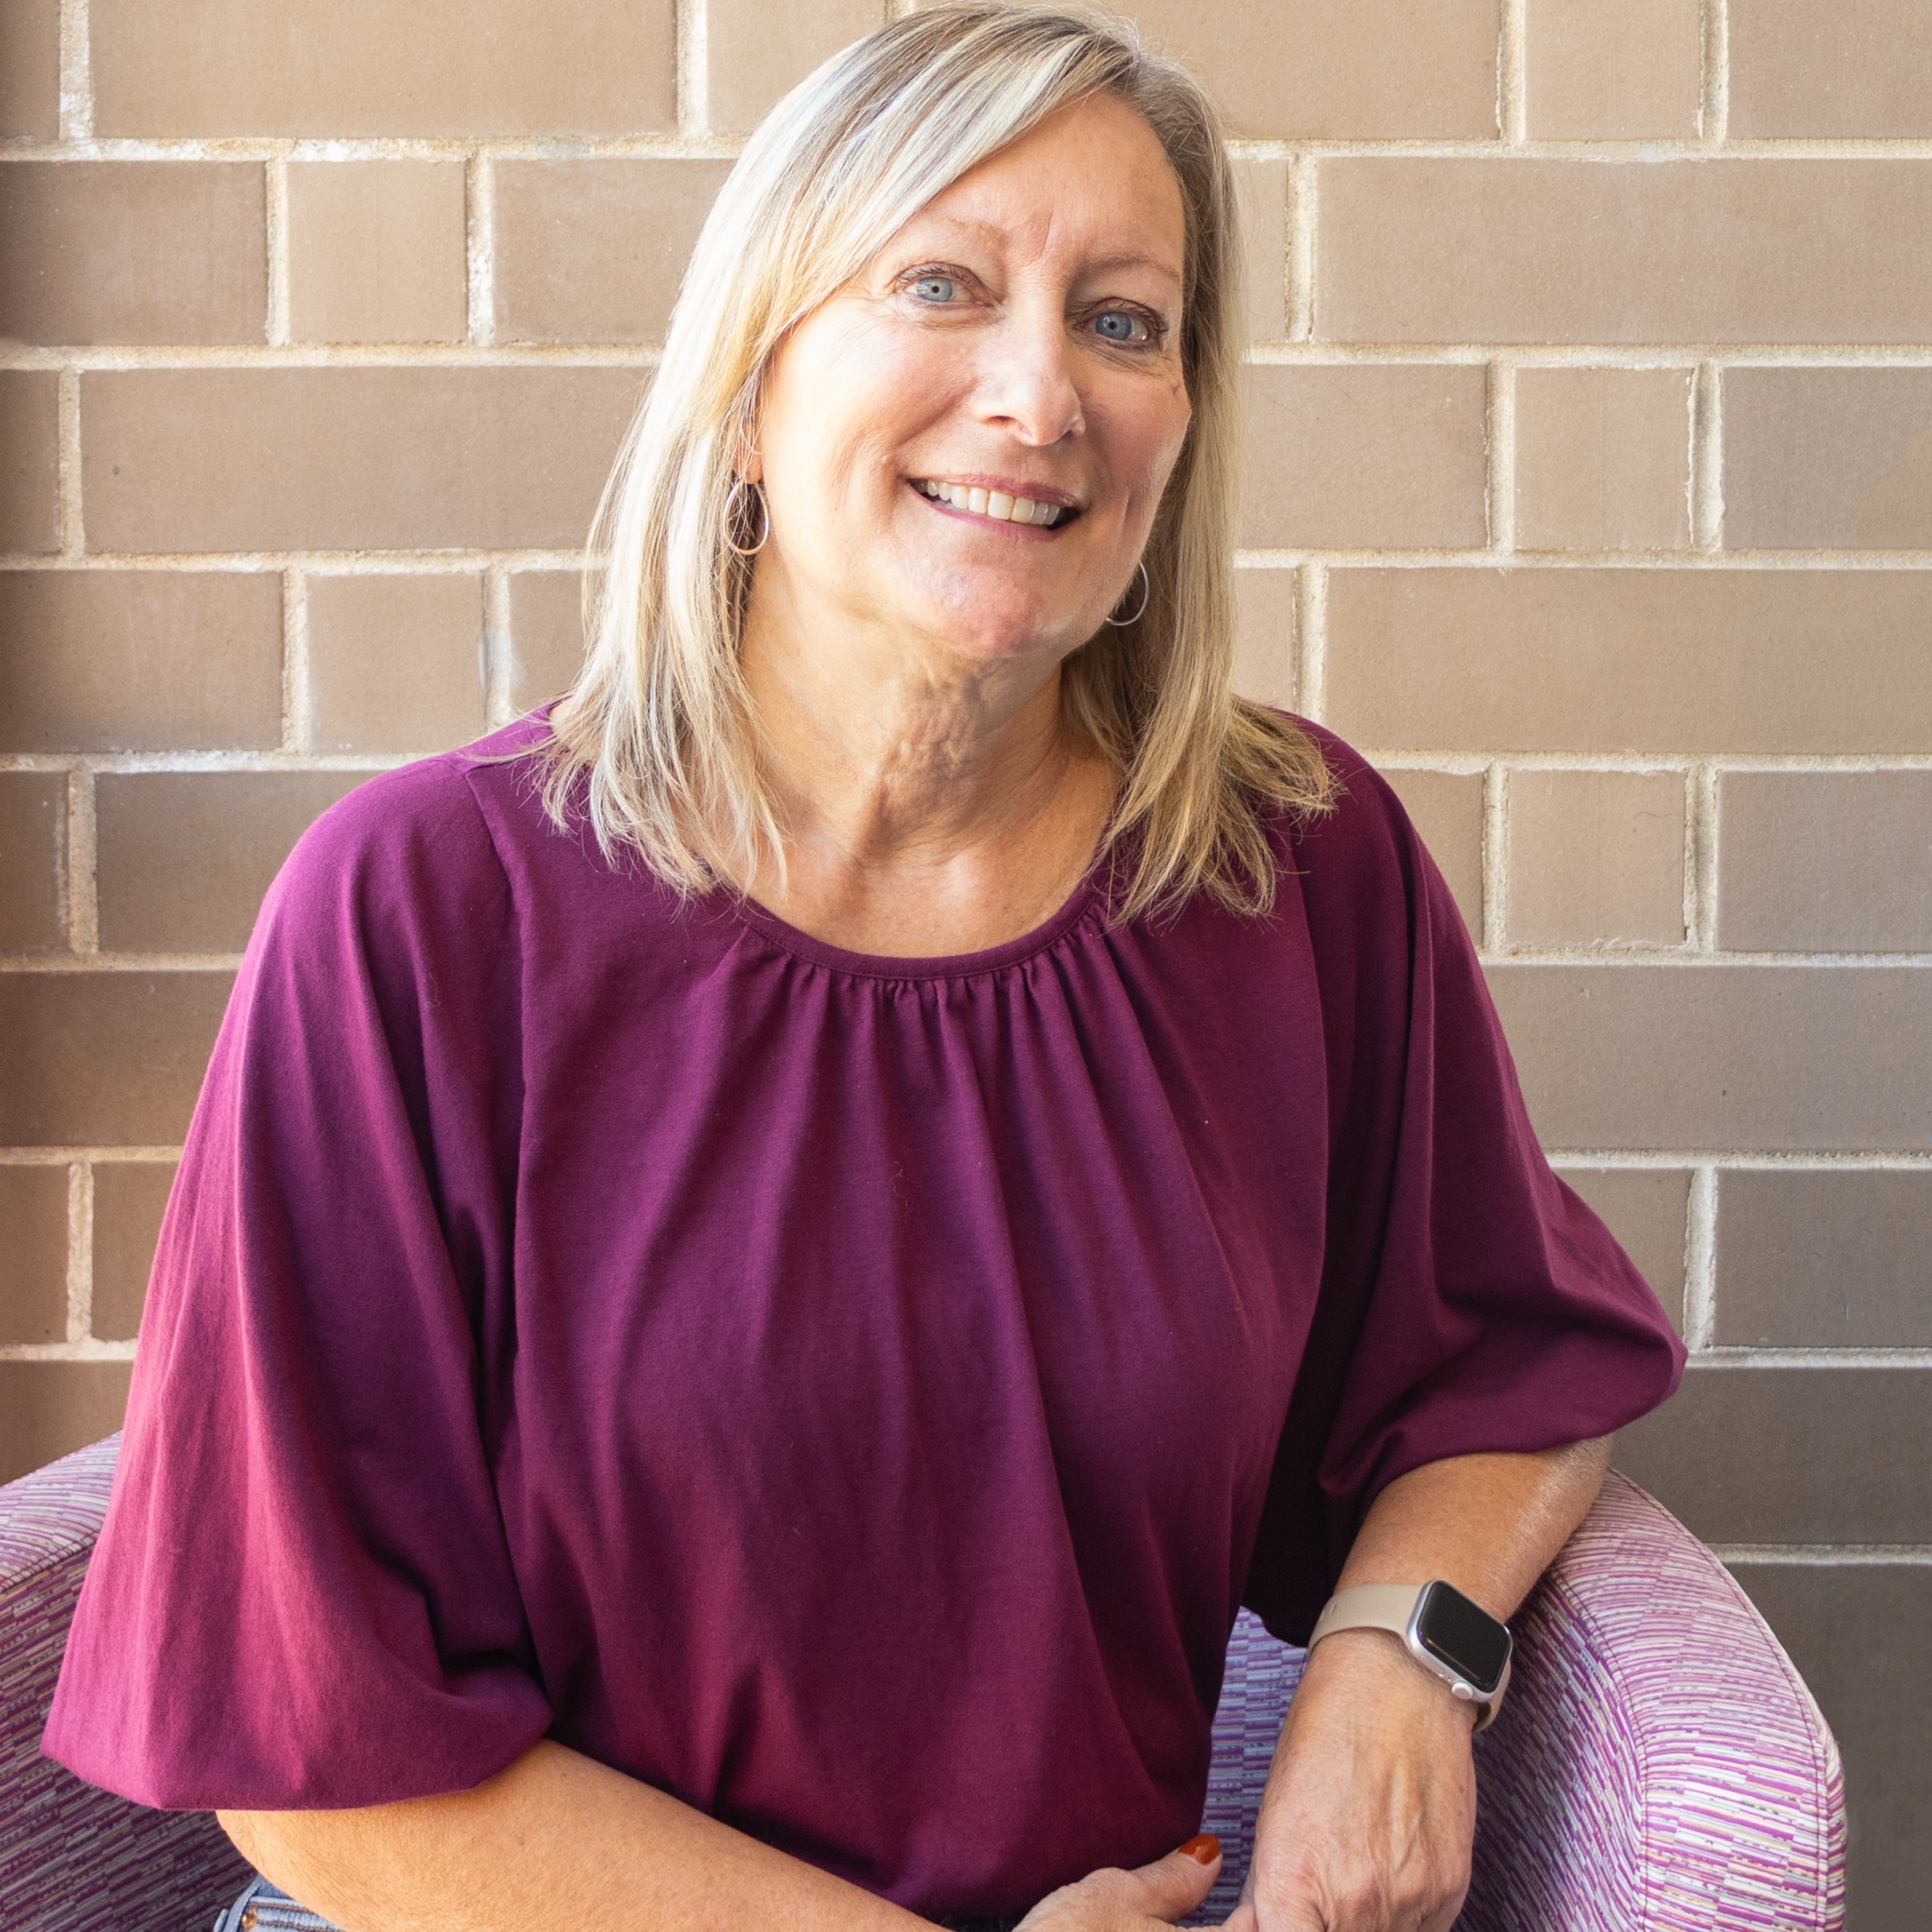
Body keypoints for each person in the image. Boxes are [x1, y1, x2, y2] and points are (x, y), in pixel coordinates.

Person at [43, 8, 1684, 1930]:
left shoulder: (1290, 871)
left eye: (1124, 320)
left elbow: (1507, 1359)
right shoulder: (421, 913)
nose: (1038, 392)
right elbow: (313, 1772)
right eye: (940, 282)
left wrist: (1399, 1658)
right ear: (752, 380)